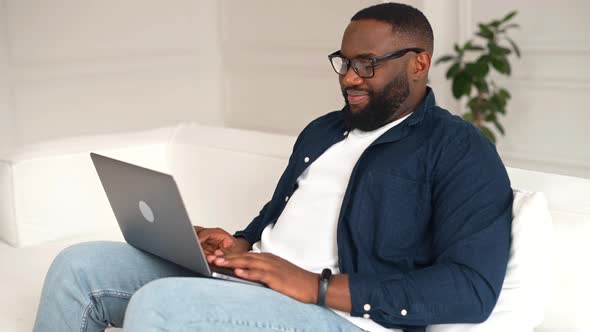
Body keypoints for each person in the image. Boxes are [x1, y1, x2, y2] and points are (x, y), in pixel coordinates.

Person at [33, 3, 512, 332]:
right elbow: (280, 214)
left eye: (367, 64)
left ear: (419, 63)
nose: (349, 77)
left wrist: (316, 286)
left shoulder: (461, 151)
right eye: (344, 62)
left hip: (344, 318)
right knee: (79, 266)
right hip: (252, 280)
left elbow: (472, 288)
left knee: (160, 306)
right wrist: (239, 243)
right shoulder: (325, 130)